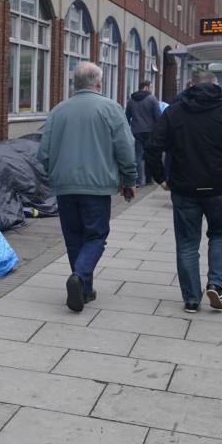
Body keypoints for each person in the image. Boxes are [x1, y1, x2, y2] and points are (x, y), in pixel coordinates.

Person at [145, 71, 222, 313]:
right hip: (221, 187)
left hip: (184, 187)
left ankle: (191, 299)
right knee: (221, 234)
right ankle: (216, 285)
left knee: (187, 243)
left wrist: (161, 178)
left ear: (191, 85)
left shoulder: (174, 112)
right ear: (216, 85)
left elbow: (152, 146)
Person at [38, 61, 137, 313]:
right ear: (99, 83)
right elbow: (125, 147)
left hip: (65, 185)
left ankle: (83, 289)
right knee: (95, 236)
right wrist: (129, 178)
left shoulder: (58, 111)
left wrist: (55, 174)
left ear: (75, 84)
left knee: (74, 238)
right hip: (97, 187)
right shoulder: (111, 109)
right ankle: (80, 277)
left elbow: (44, 153)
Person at [126, 80, 162, 186]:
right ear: (146, 87)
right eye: (151, 87)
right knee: (150, 155)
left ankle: (137, 180)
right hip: (150, 131)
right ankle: (149, 179)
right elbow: (158, 116)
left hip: (136, 130)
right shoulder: (152, 99)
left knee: (138, 155)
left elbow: (127, 116)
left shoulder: (131, 100)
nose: (152, 89)